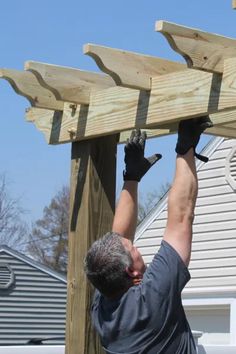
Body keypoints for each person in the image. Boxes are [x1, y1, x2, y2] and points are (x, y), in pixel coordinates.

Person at [84, 117, 213, 354]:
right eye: (131, 248)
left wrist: (131, 177)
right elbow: (182, 216)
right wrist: (185, 148)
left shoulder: (104, 308)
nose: (134, 245)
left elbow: (117, 238)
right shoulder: (151, 300)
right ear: (131, 272)